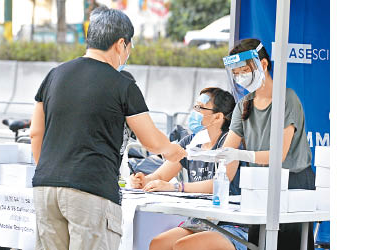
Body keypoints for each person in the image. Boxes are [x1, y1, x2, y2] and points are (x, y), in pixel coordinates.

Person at [29, 6, 186, 250]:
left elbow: (35, 132)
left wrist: (50, 171)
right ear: (120, 43)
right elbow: (151, 141)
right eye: (130, 45)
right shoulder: (122, 85)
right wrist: (172, 151)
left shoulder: (54, 75)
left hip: (46, 188)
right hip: (91, 190)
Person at [199, 38, 315, 249]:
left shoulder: (287, 99)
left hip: (294, 186)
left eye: (244, 70)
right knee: (259, 243)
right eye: (236, 74)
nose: (241, 77)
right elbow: (229, 150)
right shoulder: (244, 104)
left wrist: (242, 155)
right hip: (259, 186)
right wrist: (212, 159)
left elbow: (278, 155)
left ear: (263, 65)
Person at [130, 87, 247, 250]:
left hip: (231, 223)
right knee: (158, 244)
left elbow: (219, 184)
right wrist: (143, 180)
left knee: (185, 246)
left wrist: (176, 187)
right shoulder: (191, 141)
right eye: (195, 106)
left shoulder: (231, 142)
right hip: (201, 221)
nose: (195, 111)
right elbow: (160, 175)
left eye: (200, 108)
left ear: (218, 116)